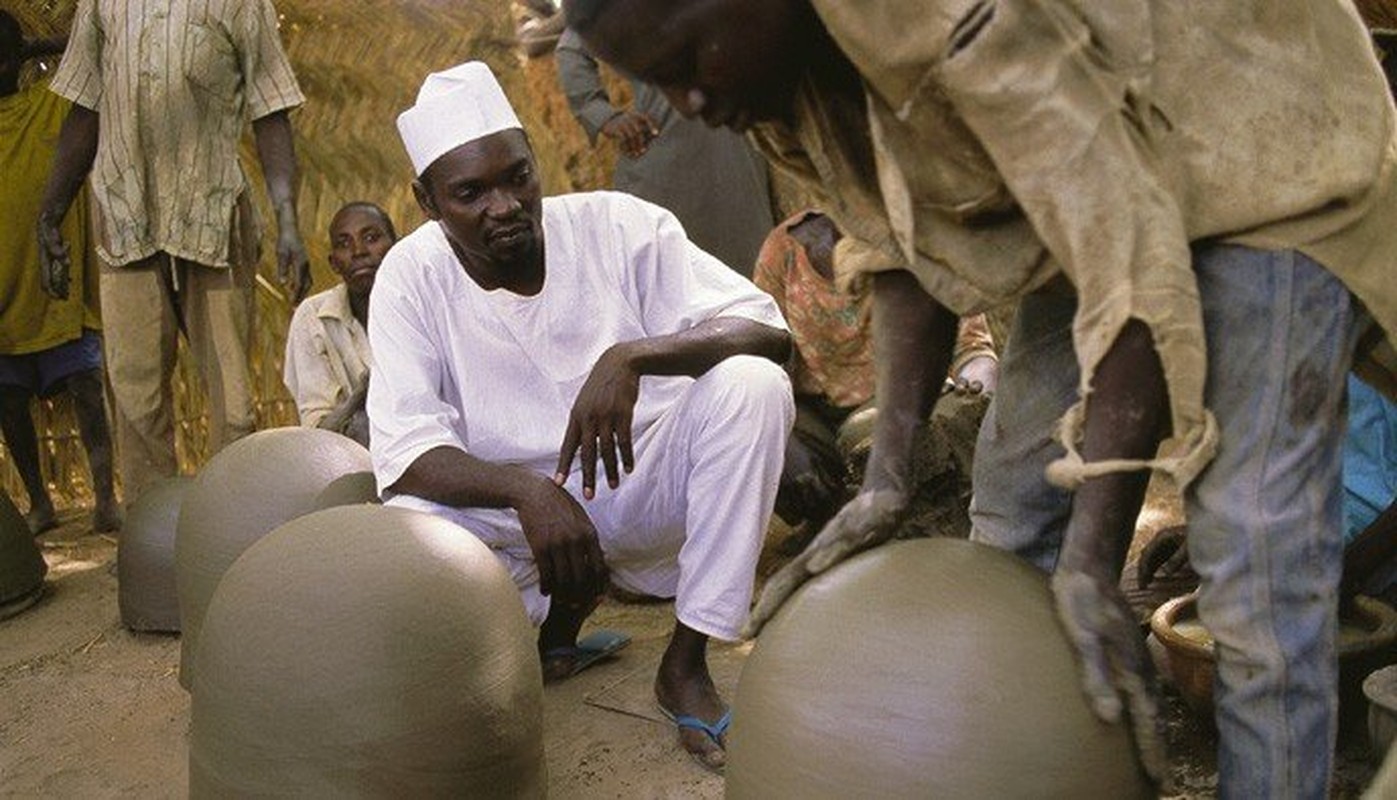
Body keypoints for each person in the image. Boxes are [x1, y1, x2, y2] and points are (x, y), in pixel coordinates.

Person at [572, 1, 1397, 795]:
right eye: (656, 83)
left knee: (1255, 574)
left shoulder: (947, 19)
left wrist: (1092, 557)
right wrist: (885, 481)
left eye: (685, 64)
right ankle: (1033, 759)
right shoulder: (768, 78)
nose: (689, 104)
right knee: (1007, 518)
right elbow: (899, 250)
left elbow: (1130, 268)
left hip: (1253, 139)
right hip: (1079, 184)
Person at [371, 61, 793, 772]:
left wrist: (632, 356)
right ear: (427, 201)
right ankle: (556, 623)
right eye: (471, 193)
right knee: (401, 540)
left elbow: (768, 334)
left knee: (752, 386)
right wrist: (528, 490)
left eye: (517, 177)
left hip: (639, 483)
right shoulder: (410, 278)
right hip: (514, 523)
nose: (504, 205)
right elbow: (406, 449)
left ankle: (685, 660)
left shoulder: (616, 225)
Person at [36, 0, 310, 503]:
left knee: (234, 406)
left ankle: (233, 533)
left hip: (212, 217)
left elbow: (271, 111)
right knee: (137, 406)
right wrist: (51, 210)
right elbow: (85, 107)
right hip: (125, 217)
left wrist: (287, 219)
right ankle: (153, 549)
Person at [752, 209, 997, 536]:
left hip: (896, 402)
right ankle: (836, 525)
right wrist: (782, 440)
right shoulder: (785, 249)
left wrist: (978, 388)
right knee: (758, 434)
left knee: (870, 437)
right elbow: (764, 354)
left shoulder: (912, 234)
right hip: (819, 412)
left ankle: (904, 531)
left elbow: (972, 344)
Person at [0, 13, 118, 535]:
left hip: (57, 288)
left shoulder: (52, 104)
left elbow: (93, 45)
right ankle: (40, 502)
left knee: (87, 389)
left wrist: (28, 47)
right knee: (8, 402)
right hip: (5, 295)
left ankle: (104, 498)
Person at [556, 27, 774, 276]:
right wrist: (604, 116)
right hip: (668, 158)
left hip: (733, 145)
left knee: (748, 263)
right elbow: (572, 46)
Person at [283, 202, 395, 447]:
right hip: (352, 456)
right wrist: (362, 394)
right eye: (344, 244)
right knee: (364, 424)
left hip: (430, 445)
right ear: (334, 263)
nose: (358, 251)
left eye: (371, 238)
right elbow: (318, 431)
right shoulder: (313, 317)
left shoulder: (423, 302)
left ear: (396, 248)